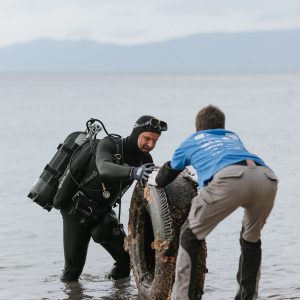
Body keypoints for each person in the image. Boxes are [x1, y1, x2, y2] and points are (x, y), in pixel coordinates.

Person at [154, 105, 278, 299]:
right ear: (222, 126)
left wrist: (154, 178)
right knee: (251, 239)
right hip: (266, 176)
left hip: (231, 178)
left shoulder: (192, 140)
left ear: (197, 128)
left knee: (189, 235)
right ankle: (248, 297)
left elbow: (166, 176)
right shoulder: (232, 136)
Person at [53, 115, 168, 281]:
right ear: (136, 133)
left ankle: (115, 293)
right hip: (76, 211)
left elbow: (149, 196)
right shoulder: (110, 144)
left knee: (126, 261)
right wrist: (133, 172)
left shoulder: (146, 160)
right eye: (147, 138)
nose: (150, 145)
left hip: (103, 214)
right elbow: (104, 168)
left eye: (155, 141)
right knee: (73, 271)